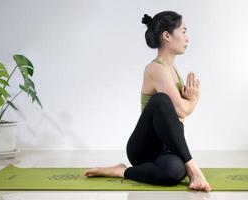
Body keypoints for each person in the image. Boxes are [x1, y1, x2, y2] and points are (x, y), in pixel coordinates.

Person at [83, 11, 212, 192]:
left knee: (174, 172)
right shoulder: (156, 69)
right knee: (161, 100)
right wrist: (193, 100)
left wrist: (189, 103)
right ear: (167, 36)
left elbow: (180, 113)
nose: (187, 38)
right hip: (144, 147)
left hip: (167, 147)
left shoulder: (172, 69)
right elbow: (181, 111)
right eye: (183, 31)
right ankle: (193, 166)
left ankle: (122, 171)